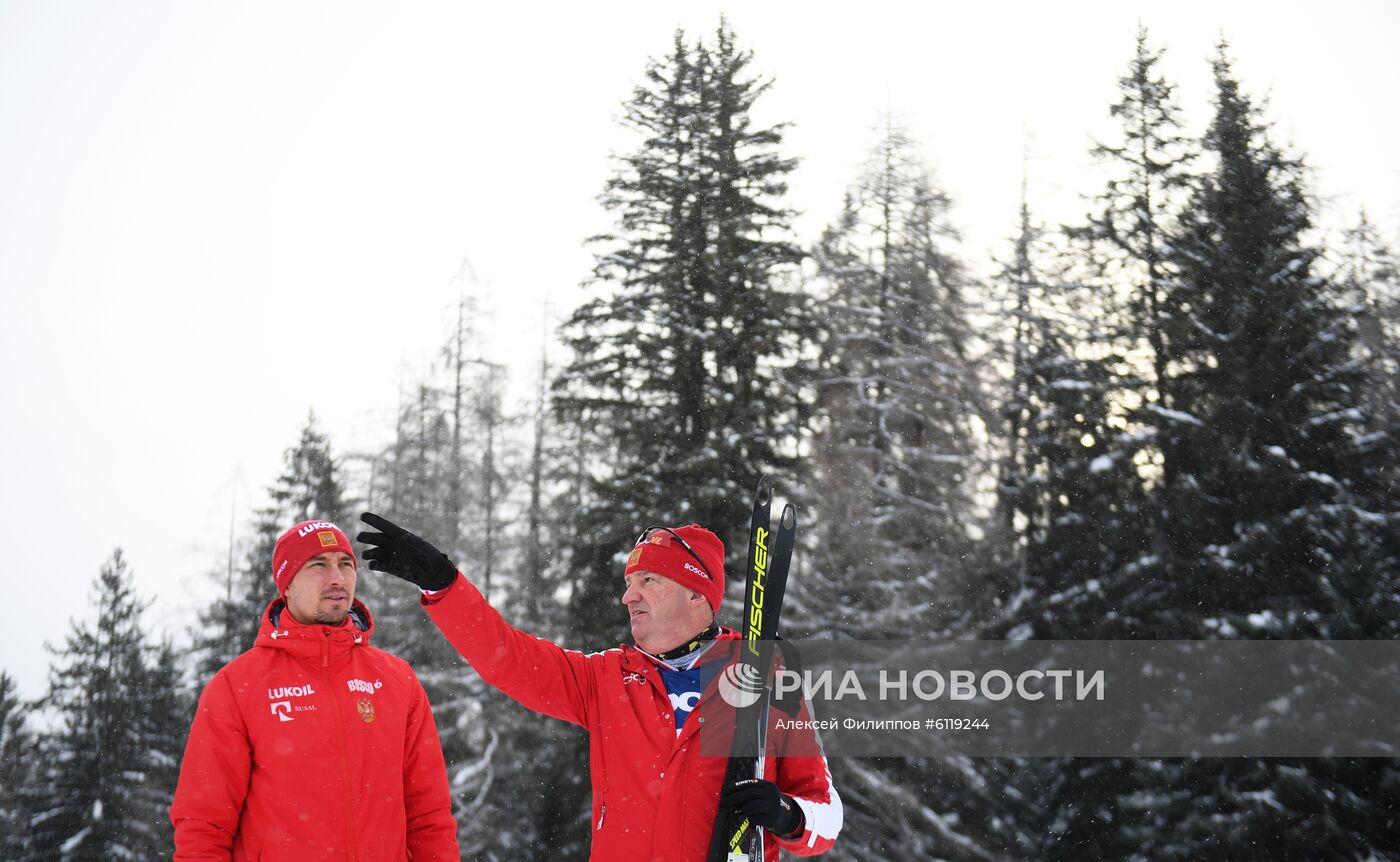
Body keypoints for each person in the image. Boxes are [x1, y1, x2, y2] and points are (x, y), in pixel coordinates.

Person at [358, 512, 843, 862]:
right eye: (630, 581)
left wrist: (789, 816)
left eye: (648, 580)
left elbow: (827, 814)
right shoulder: (607, 679)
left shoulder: (769, 679)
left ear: (697, 595)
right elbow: (506, 658)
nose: (627, 595)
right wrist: (444, 586)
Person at [170, 519, 461, 861]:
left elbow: (429, 816)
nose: (337, 577)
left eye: (346, 564)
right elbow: (204, 825)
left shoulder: (397, 680)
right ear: (287, 584)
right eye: (318, 564)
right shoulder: (238, 684)